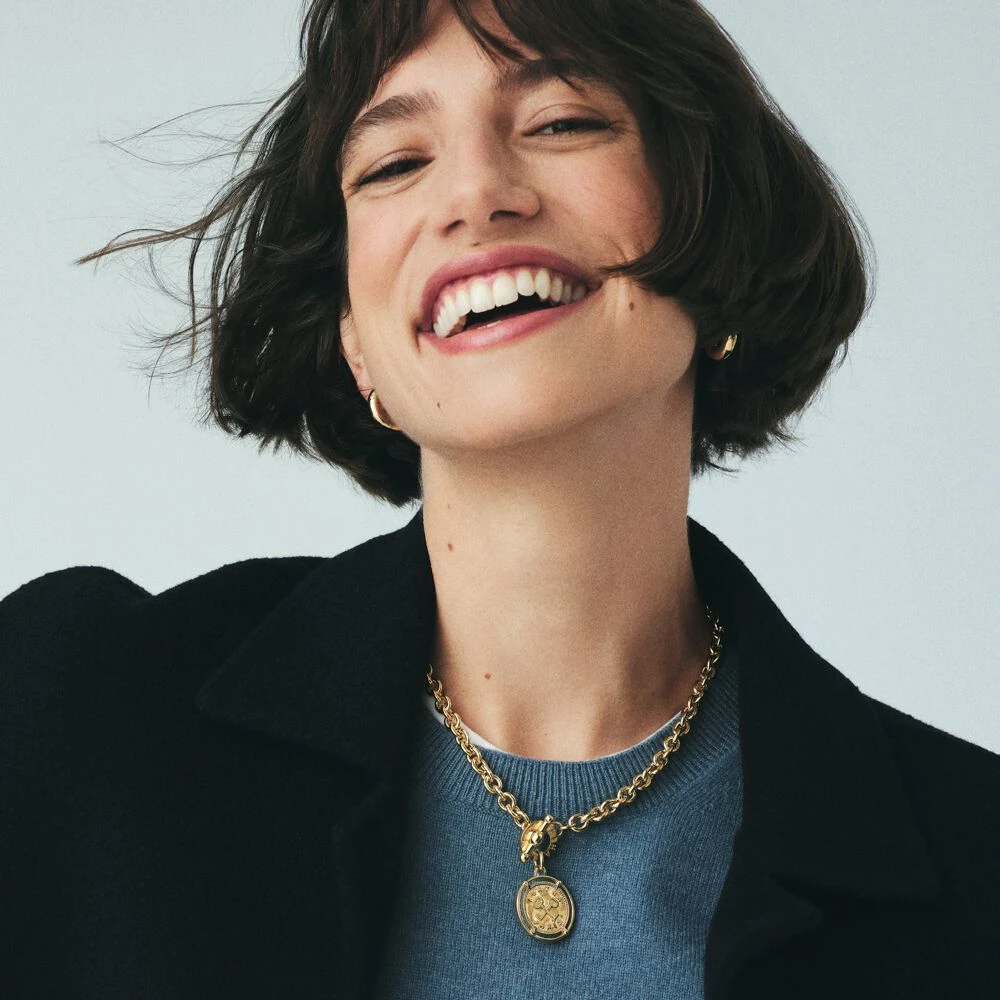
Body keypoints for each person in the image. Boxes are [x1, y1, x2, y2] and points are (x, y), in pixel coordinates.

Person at [2, 0, 998, 998]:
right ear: (355, 344)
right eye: (394, 164)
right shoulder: (70, 720)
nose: (475, 193)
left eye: (562, 121)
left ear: (718, 240)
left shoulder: (972, 859)